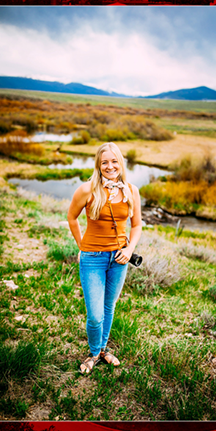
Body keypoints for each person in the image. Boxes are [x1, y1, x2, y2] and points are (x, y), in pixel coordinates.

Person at [67, 142, 142, 374]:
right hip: (93, 259)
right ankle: (93, 352)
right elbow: (71, 218)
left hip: (119, 259)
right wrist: (83, 245)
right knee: (95, 314)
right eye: (104, 162)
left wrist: (129, 251)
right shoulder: (87, 190)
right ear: (98, 166)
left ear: (121, 162)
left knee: (109, 307)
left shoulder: (131, 190)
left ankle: (101, 351)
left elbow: (137, 225)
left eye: (114, 161)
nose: (110, 166)